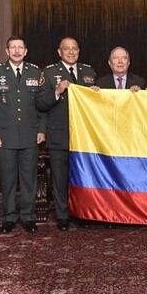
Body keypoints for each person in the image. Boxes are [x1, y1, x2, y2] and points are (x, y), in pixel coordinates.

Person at [0, 36, 47, 234]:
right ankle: (9, 217)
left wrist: (41, 130)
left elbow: (41, 106)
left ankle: (28, 217)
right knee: (8, 179)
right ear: (7, 51)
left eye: (20, 47)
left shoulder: (36, 72)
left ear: (26, 51)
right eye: (13, 47)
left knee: (29, 178)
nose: (17, 51)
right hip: (4, 137)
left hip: (30, 136)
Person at [36, 37, 97, 230]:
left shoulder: (89, 72)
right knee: (60, 178)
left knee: (82, 178)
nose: (71, 52)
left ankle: (82, 213)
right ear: (59, 52)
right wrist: (57, 91)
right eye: (67, 49)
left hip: (84, 137)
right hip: (59, 135)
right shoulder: (49, 72)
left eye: (74, 49)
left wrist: (97, 94)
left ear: (79, 51)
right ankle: (63, 216)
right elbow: (40, 103)